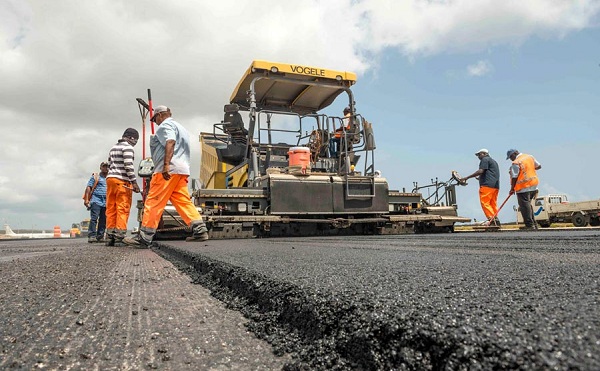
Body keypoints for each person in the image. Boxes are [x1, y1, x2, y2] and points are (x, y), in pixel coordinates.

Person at [123, 105, 209, 247]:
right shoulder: (182, 128)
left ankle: (144, 237)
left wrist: (166, 165)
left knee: (153, 201)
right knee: (183, 201)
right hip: (182, 170)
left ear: (161, 115)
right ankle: (200, 230)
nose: (155, 122)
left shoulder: (165, 126)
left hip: (168, 171)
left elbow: (170, 141)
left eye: (155, 119)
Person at [105, 128, 141, 246]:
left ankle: (109, 236)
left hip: (110, 179)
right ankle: (119, 237)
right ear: (131, 138)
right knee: (122, 207)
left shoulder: (113, 147)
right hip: (122, 181)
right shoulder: (128, 148)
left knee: (111, 208)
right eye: (136, 139)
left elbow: (109, 164)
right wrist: (134, 182)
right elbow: (128, 166)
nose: (135, 142)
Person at [459, 149, 500, 225]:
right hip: (495, 186)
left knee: (485, 202)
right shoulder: (493, 161)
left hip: (486, 186)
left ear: (484, 154)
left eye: (479, 154)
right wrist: (481, 177)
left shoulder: (485, 159)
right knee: (492, 203)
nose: (478, 156)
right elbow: (490, 173)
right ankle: (496, 220)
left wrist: (466, 178)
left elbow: (481, 171)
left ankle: (491, 219)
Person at [506, 149, 542, 231]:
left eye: (511, 157)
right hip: (533, 184)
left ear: (515, 153)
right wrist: (528, 169)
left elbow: (514, 176)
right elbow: (539, 166)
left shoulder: (516, 162)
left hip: (523, 186)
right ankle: (534, 224)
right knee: (528, 205)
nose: (511, 159)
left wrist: (512, 189)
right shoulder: (529, 157)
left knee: (524, 206)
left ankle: (529, 225)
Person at [83, 162, 109, 243]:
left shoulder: (110, 178)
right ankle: (92, 235)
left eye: (107, 167)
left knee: (103, 219)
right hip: (96, 200)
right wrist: (87, 199)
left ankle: (100, 236)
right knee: (94, 218)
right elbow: (89, 188)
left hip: (106, 201)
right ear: (100, 167)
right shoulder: (96, 177)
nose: (106, 168)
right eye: (104, 167)